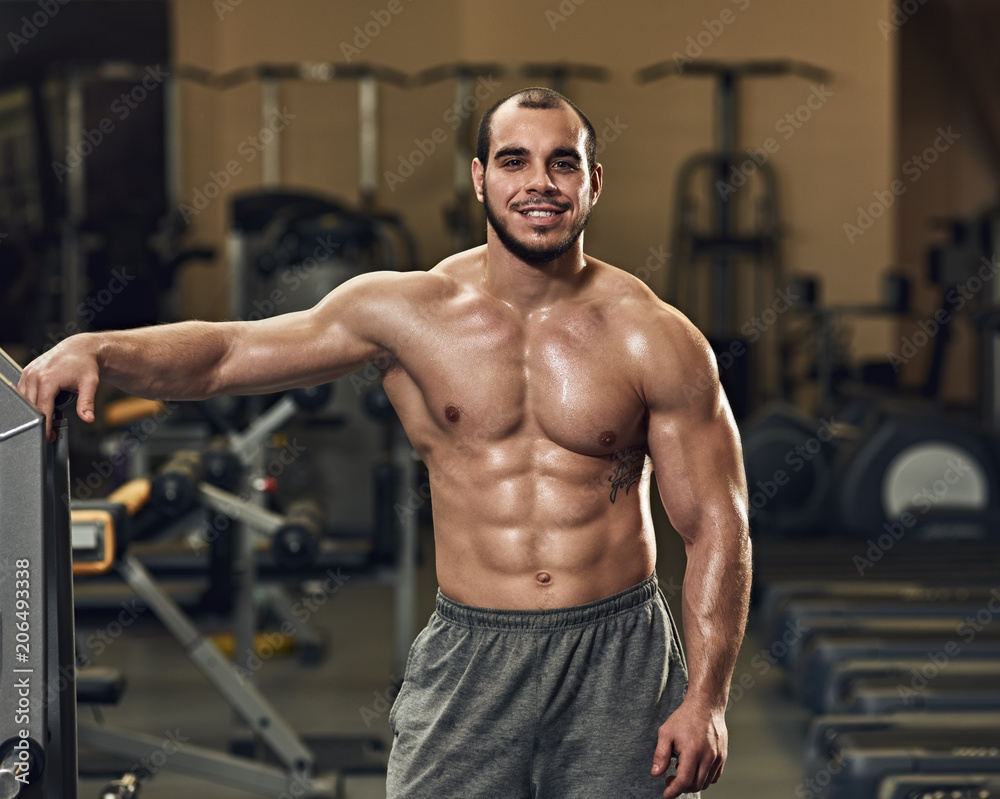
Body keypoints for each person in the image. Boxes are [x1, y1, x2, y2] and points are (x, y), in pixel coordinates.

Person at [18, 87, 751, 798]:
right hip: (474, 650)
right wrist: (101, 348)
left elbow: (718, 524)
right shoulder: (408, 313)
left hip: (617, 653)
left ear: (593, 181)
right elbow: (227, 354)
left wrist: (707, 698)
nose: (540, 183)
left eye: (562, 163)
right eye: (514, 161)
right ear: (479, 177)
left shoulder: (654, 335)